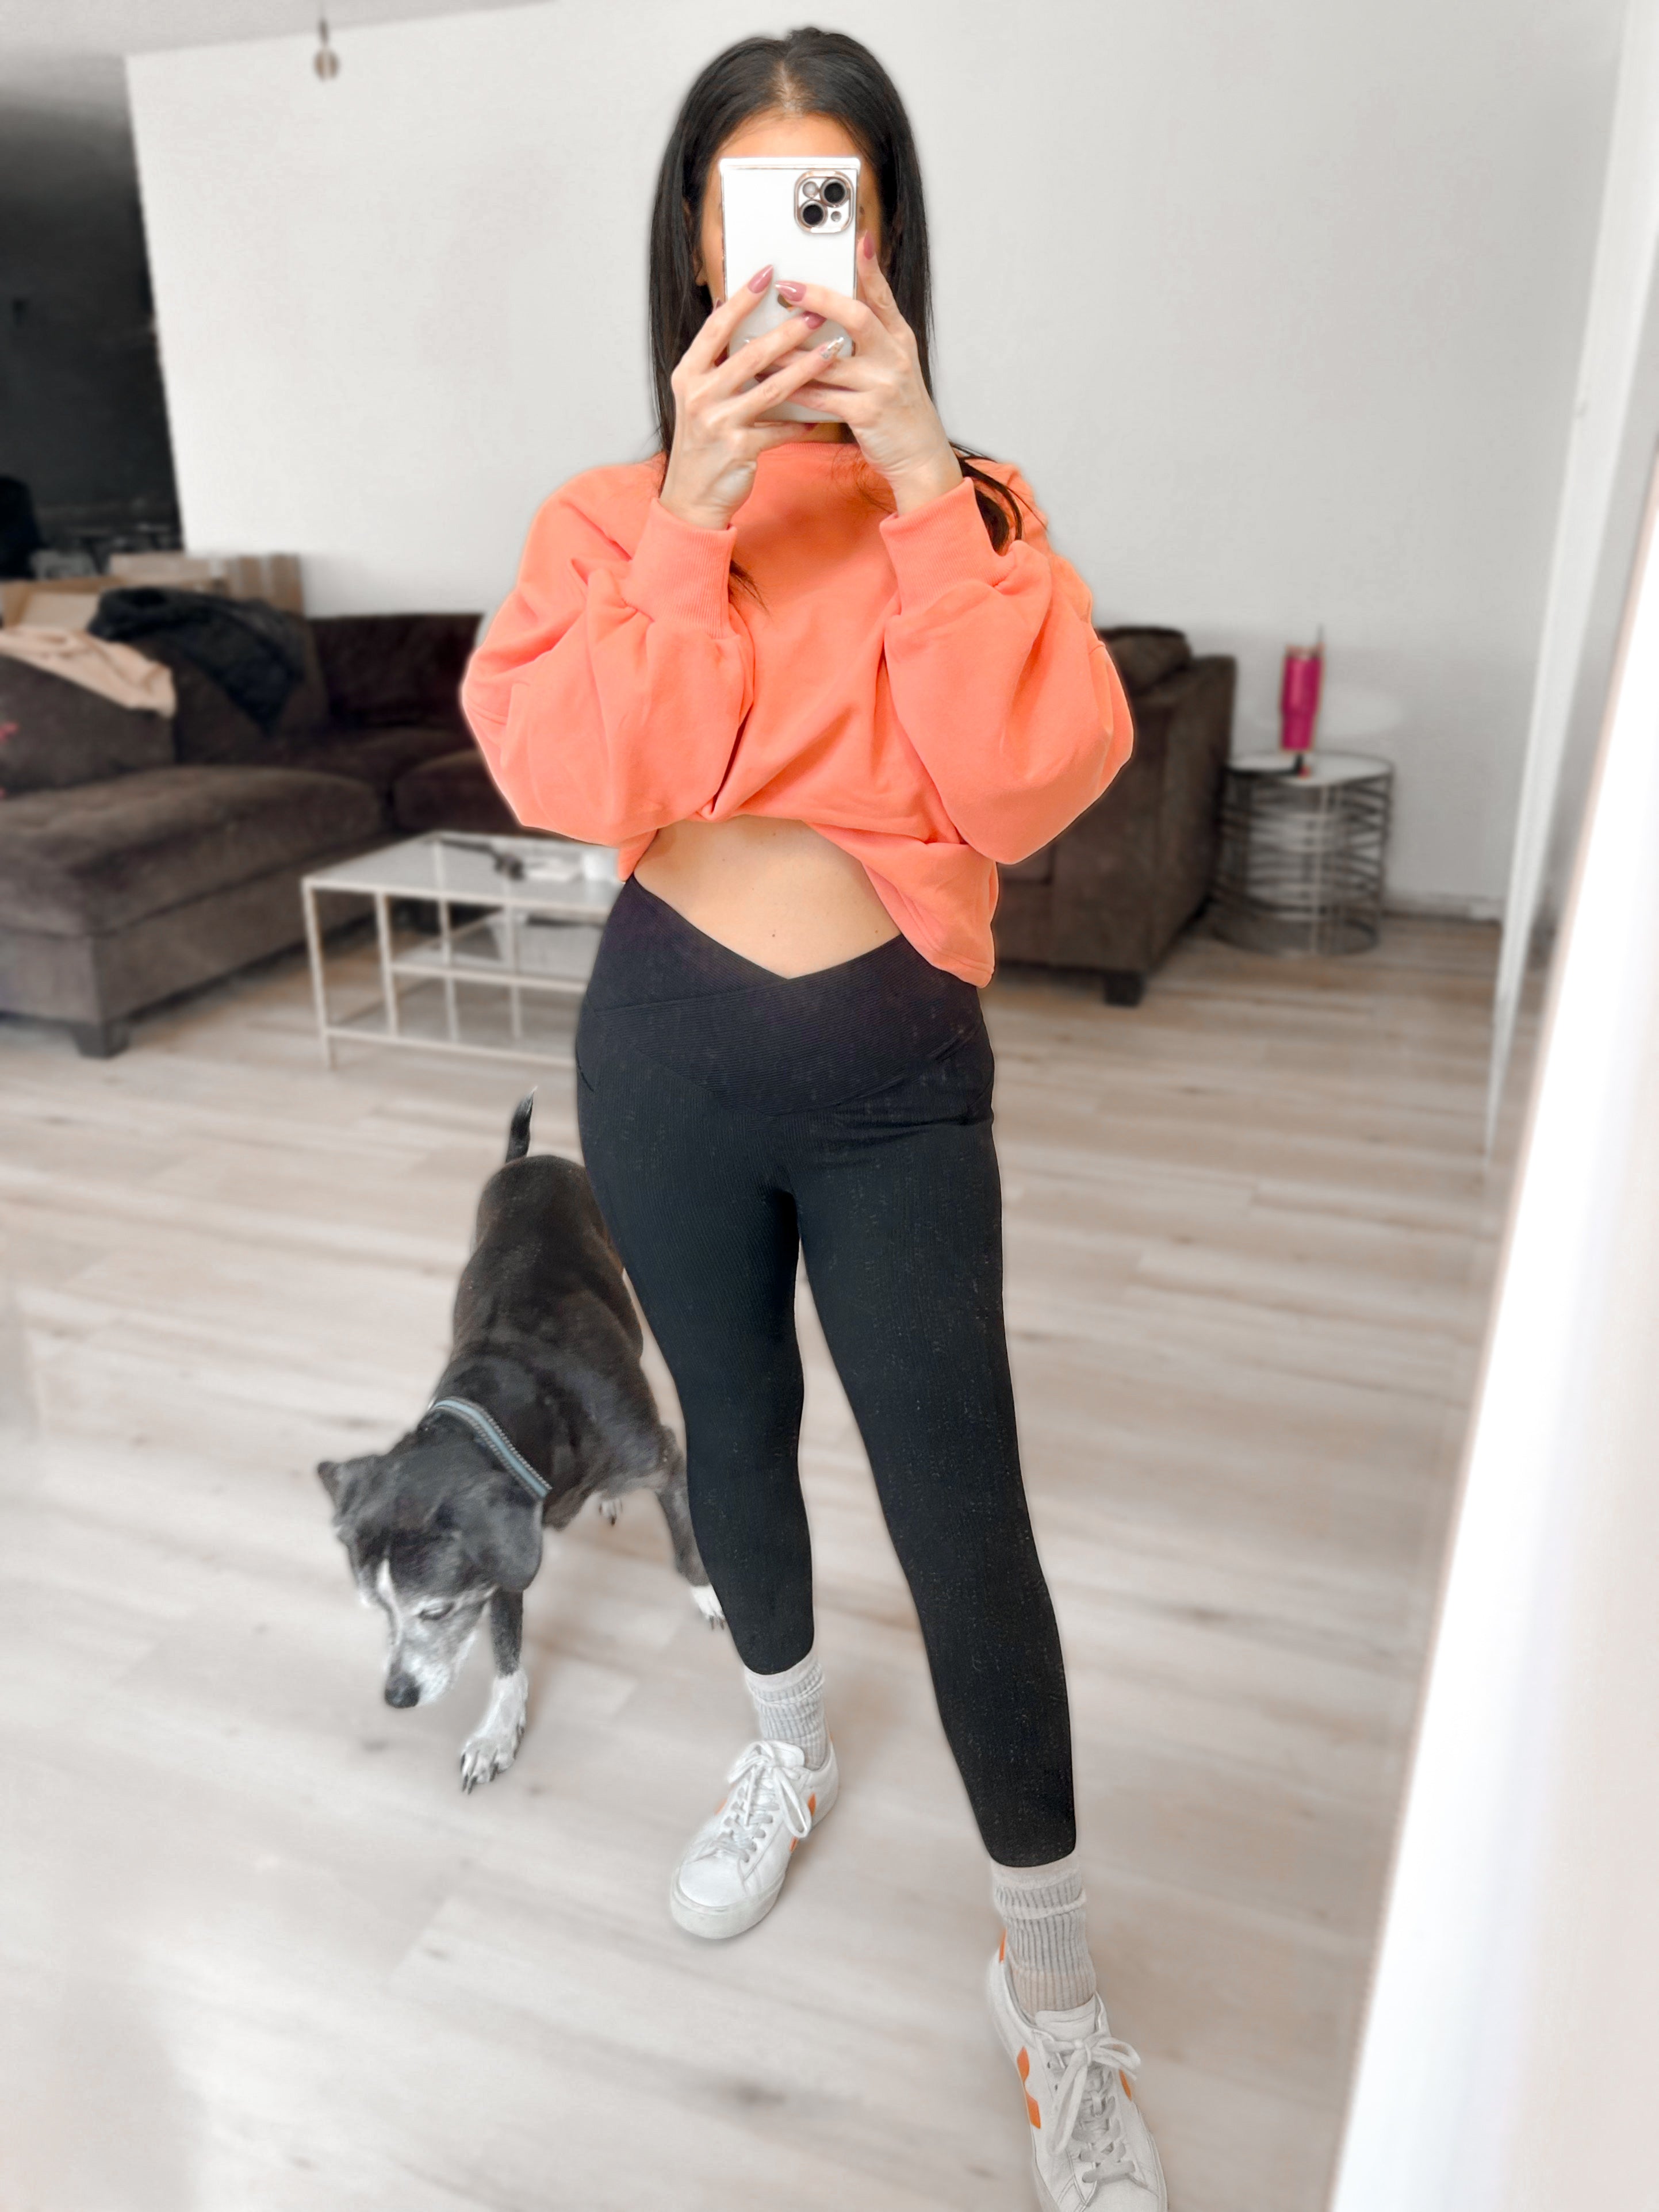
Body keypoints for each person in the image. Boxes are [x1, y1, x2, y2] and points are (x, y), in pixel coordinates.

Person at [462, 28, 1162, 2209]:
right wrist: (687, 515)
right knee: (733, 1441)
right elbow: (582, 779)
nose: (786, 245)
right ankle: (783, 1753)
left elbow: (1028, 787)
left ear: (881, 235)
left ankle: (1055, 1991)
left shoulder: (975, 507)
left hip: (891, 1087)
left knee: (965, 1515)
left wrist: (925, 469)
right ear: (697, 242)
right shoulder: (604, 522)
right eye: (749, 203)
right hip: (660, 1060)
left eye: (827, 202)